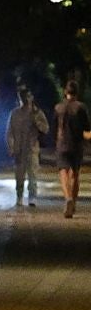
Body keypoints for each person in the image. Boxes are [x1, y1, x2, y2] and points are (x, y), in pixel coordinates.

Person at [4, 85, 49, 209]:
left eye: (27, 97)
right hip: (19, 149)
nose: (25, 99)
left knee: (33, 175)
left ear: (31, 98)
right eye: (22, 97)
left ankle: (32, 197)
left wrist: (36, 121)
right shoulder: (14, 113)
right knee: (19, 176)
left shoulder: (37, 113)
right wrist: (11, 147)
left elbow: (45, 129)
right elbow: (9, 132)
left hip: (32, 148)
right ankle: (19, 196)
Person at [54, 80, 91, 217]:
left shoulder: (58, 108)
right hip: (76, 145)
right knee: (75, 174)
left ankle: (68, 198)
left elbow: (54, 128)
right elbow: (87, 128)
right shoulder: (81, 108)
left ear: (65, 92)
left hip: (62, 144)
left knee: (63, 173)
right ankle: (73, 203)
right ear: (77, 92)